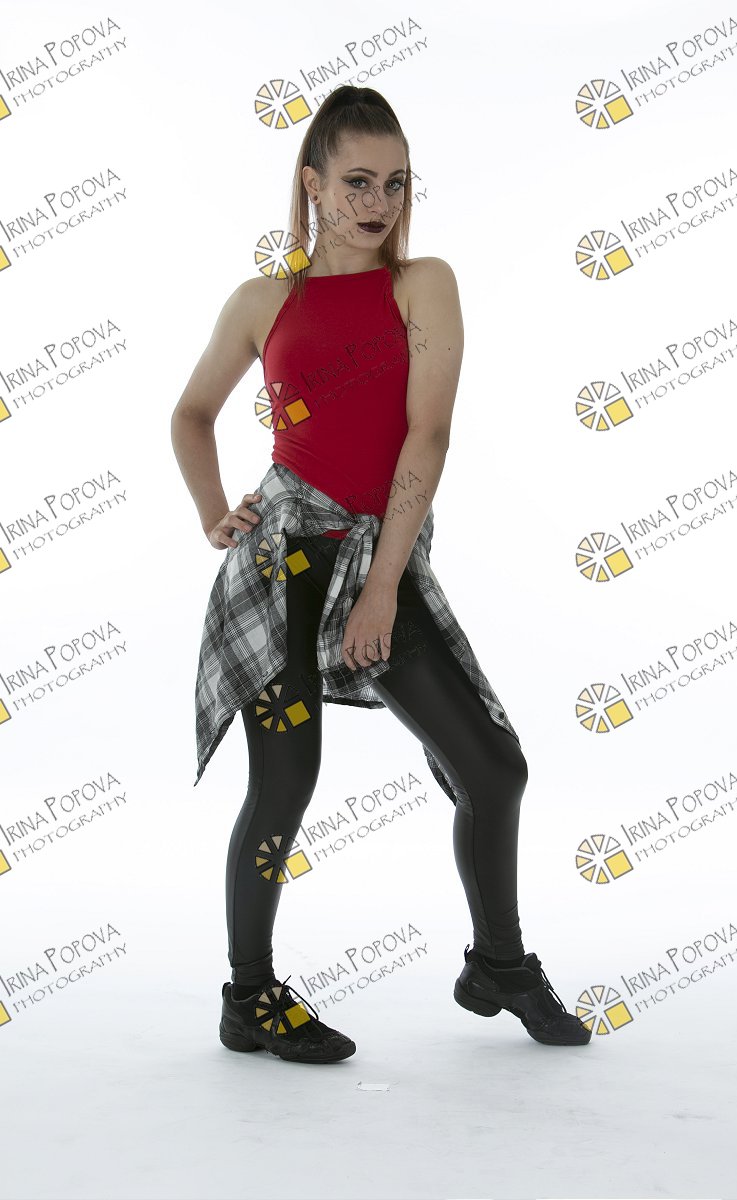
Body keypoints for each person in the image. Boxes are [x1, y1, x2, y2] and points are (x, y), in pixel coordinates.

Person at [171, 85, 591, 1064]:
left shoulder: (422, 283)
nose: (378, 202)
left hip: (377, 559)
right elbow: (190, 415)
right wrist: (212, 510)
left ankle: (497, 964)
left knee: (492, 768)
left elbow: (427, 434)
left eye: (396, 183)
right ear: (312, 184)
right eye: (356, 181)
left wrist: (382, 585)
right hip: (280, 562)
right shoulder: (261, 301)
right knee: (283, 786)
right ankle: (249, 996)